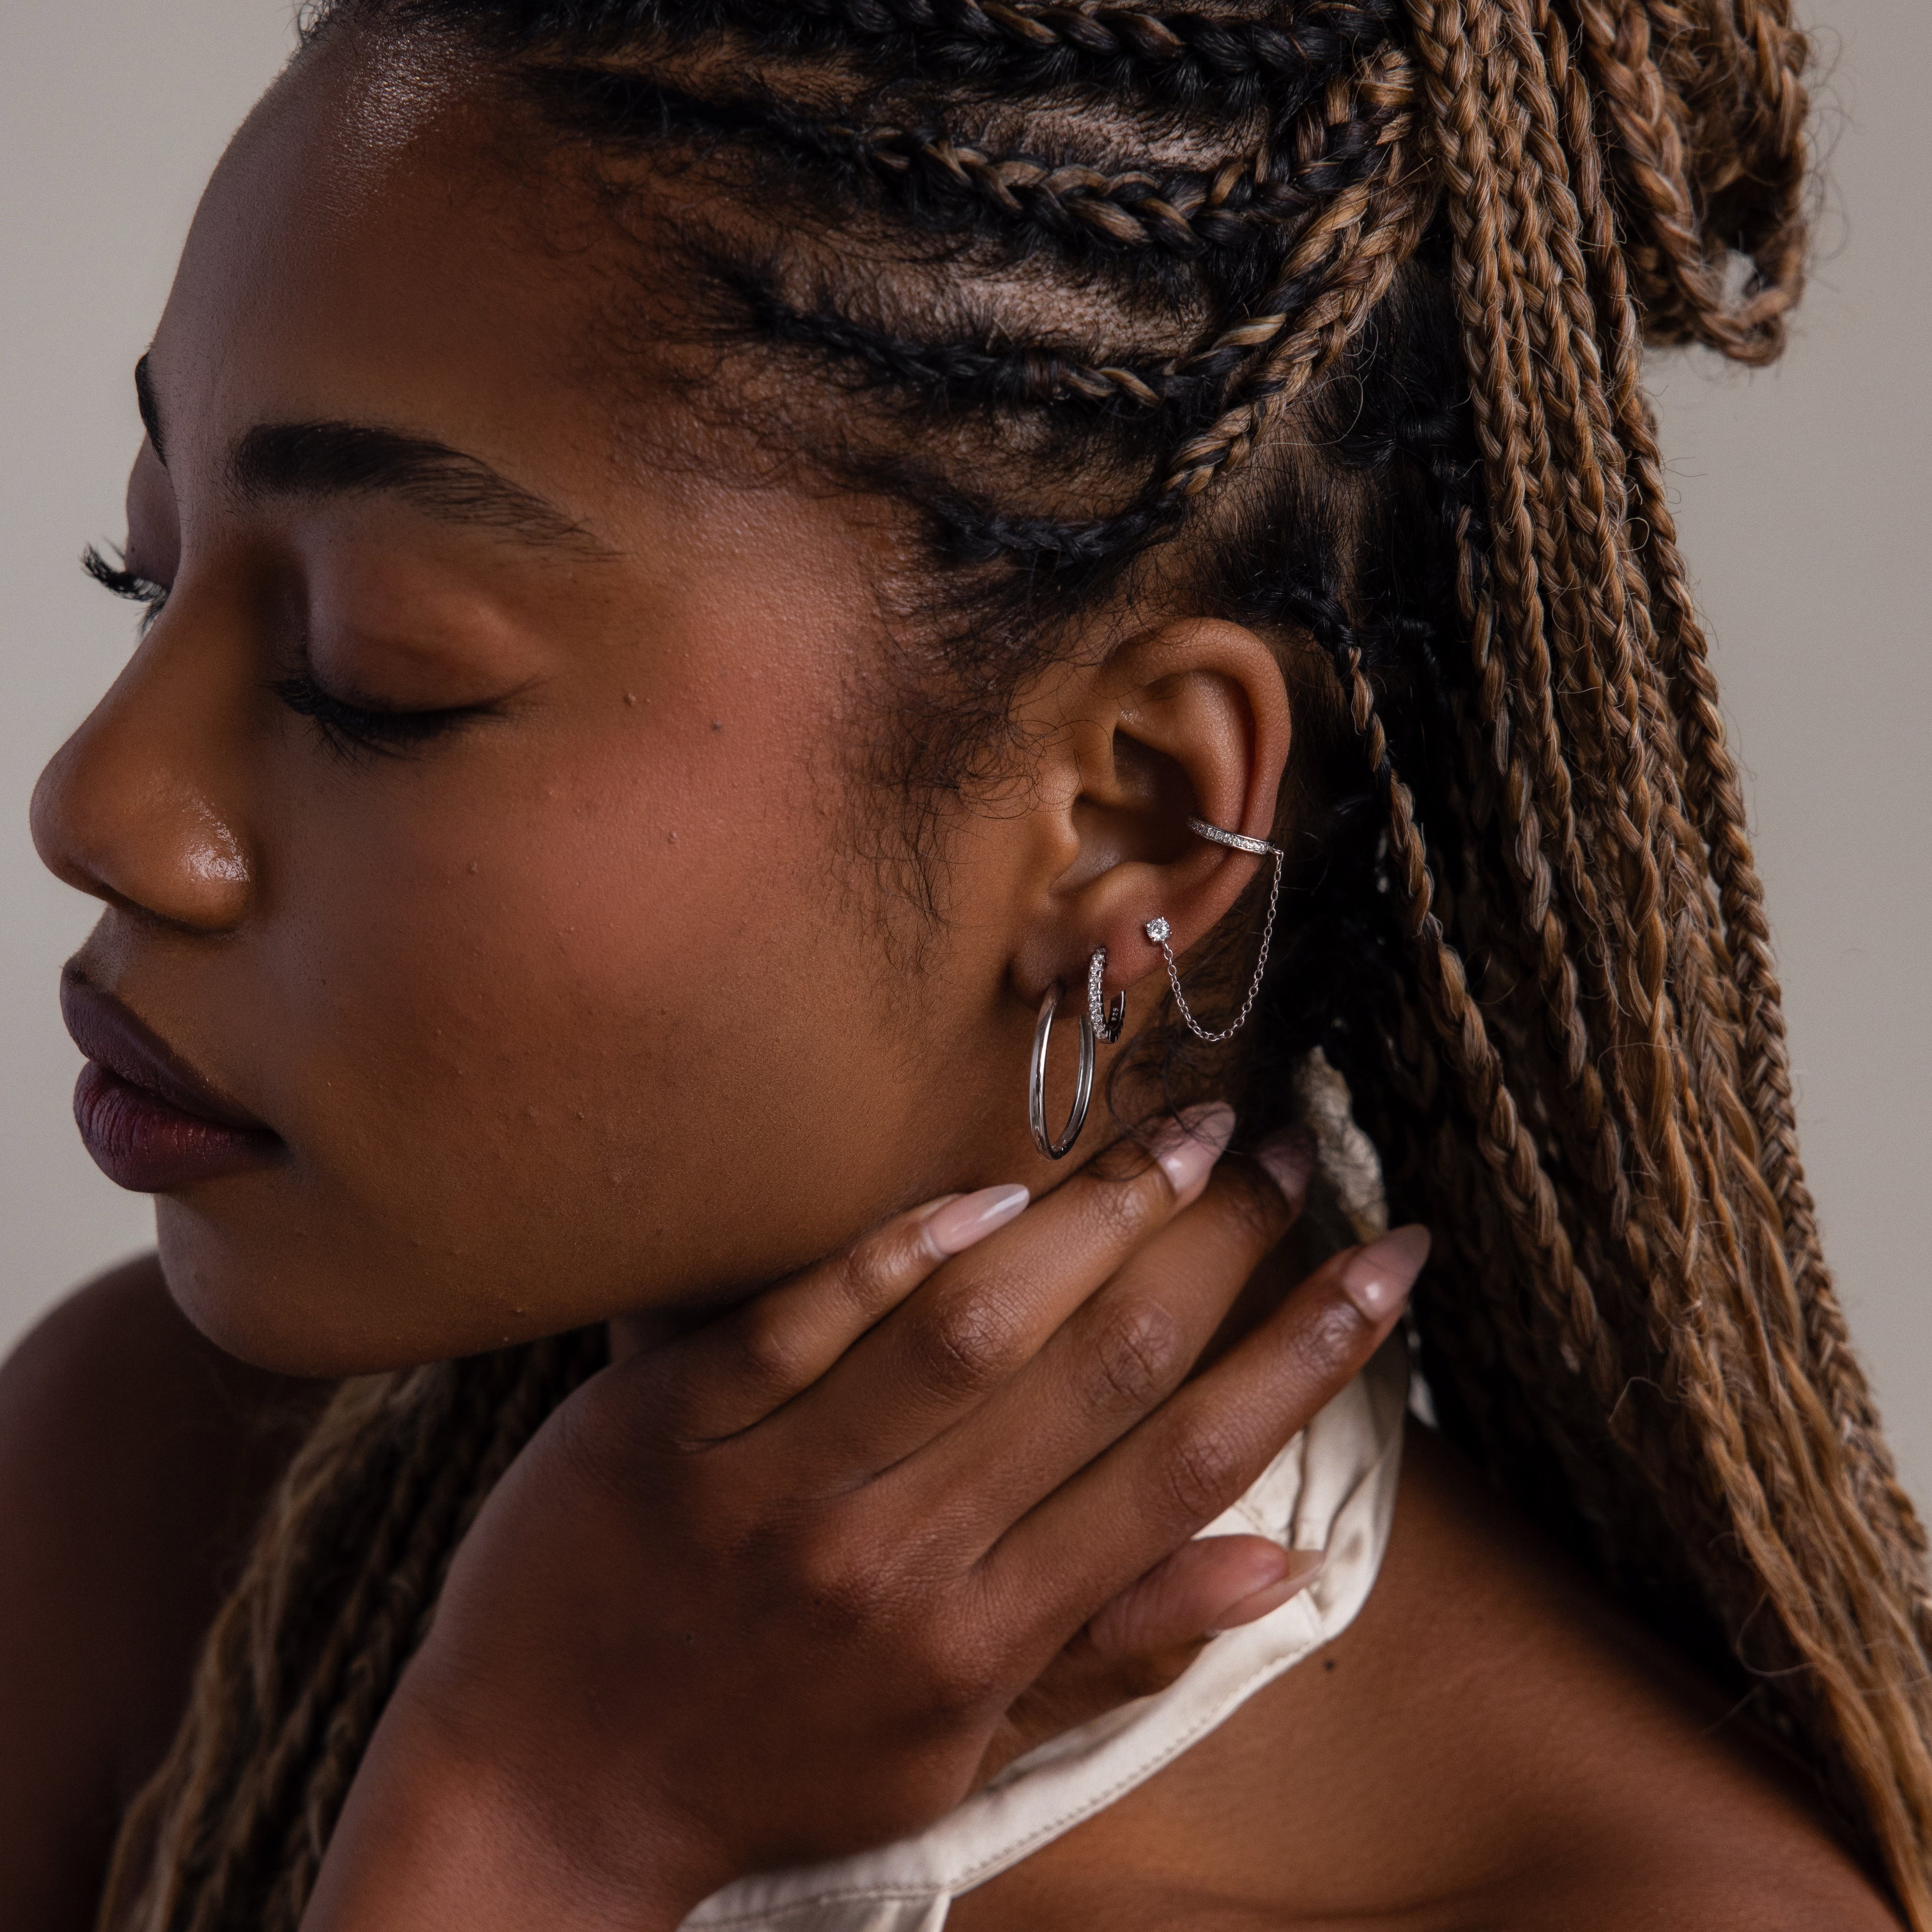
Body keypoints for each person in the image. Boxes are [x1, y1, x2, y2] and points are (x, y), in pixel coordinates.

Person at [2, 0, 1924, 1926]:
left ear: (1139, 825)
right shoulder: (147, 1504)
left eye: (371, 673)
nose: (95, 803)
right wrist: (517, 1789)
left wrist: (541, 1829)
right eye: (142, 567)